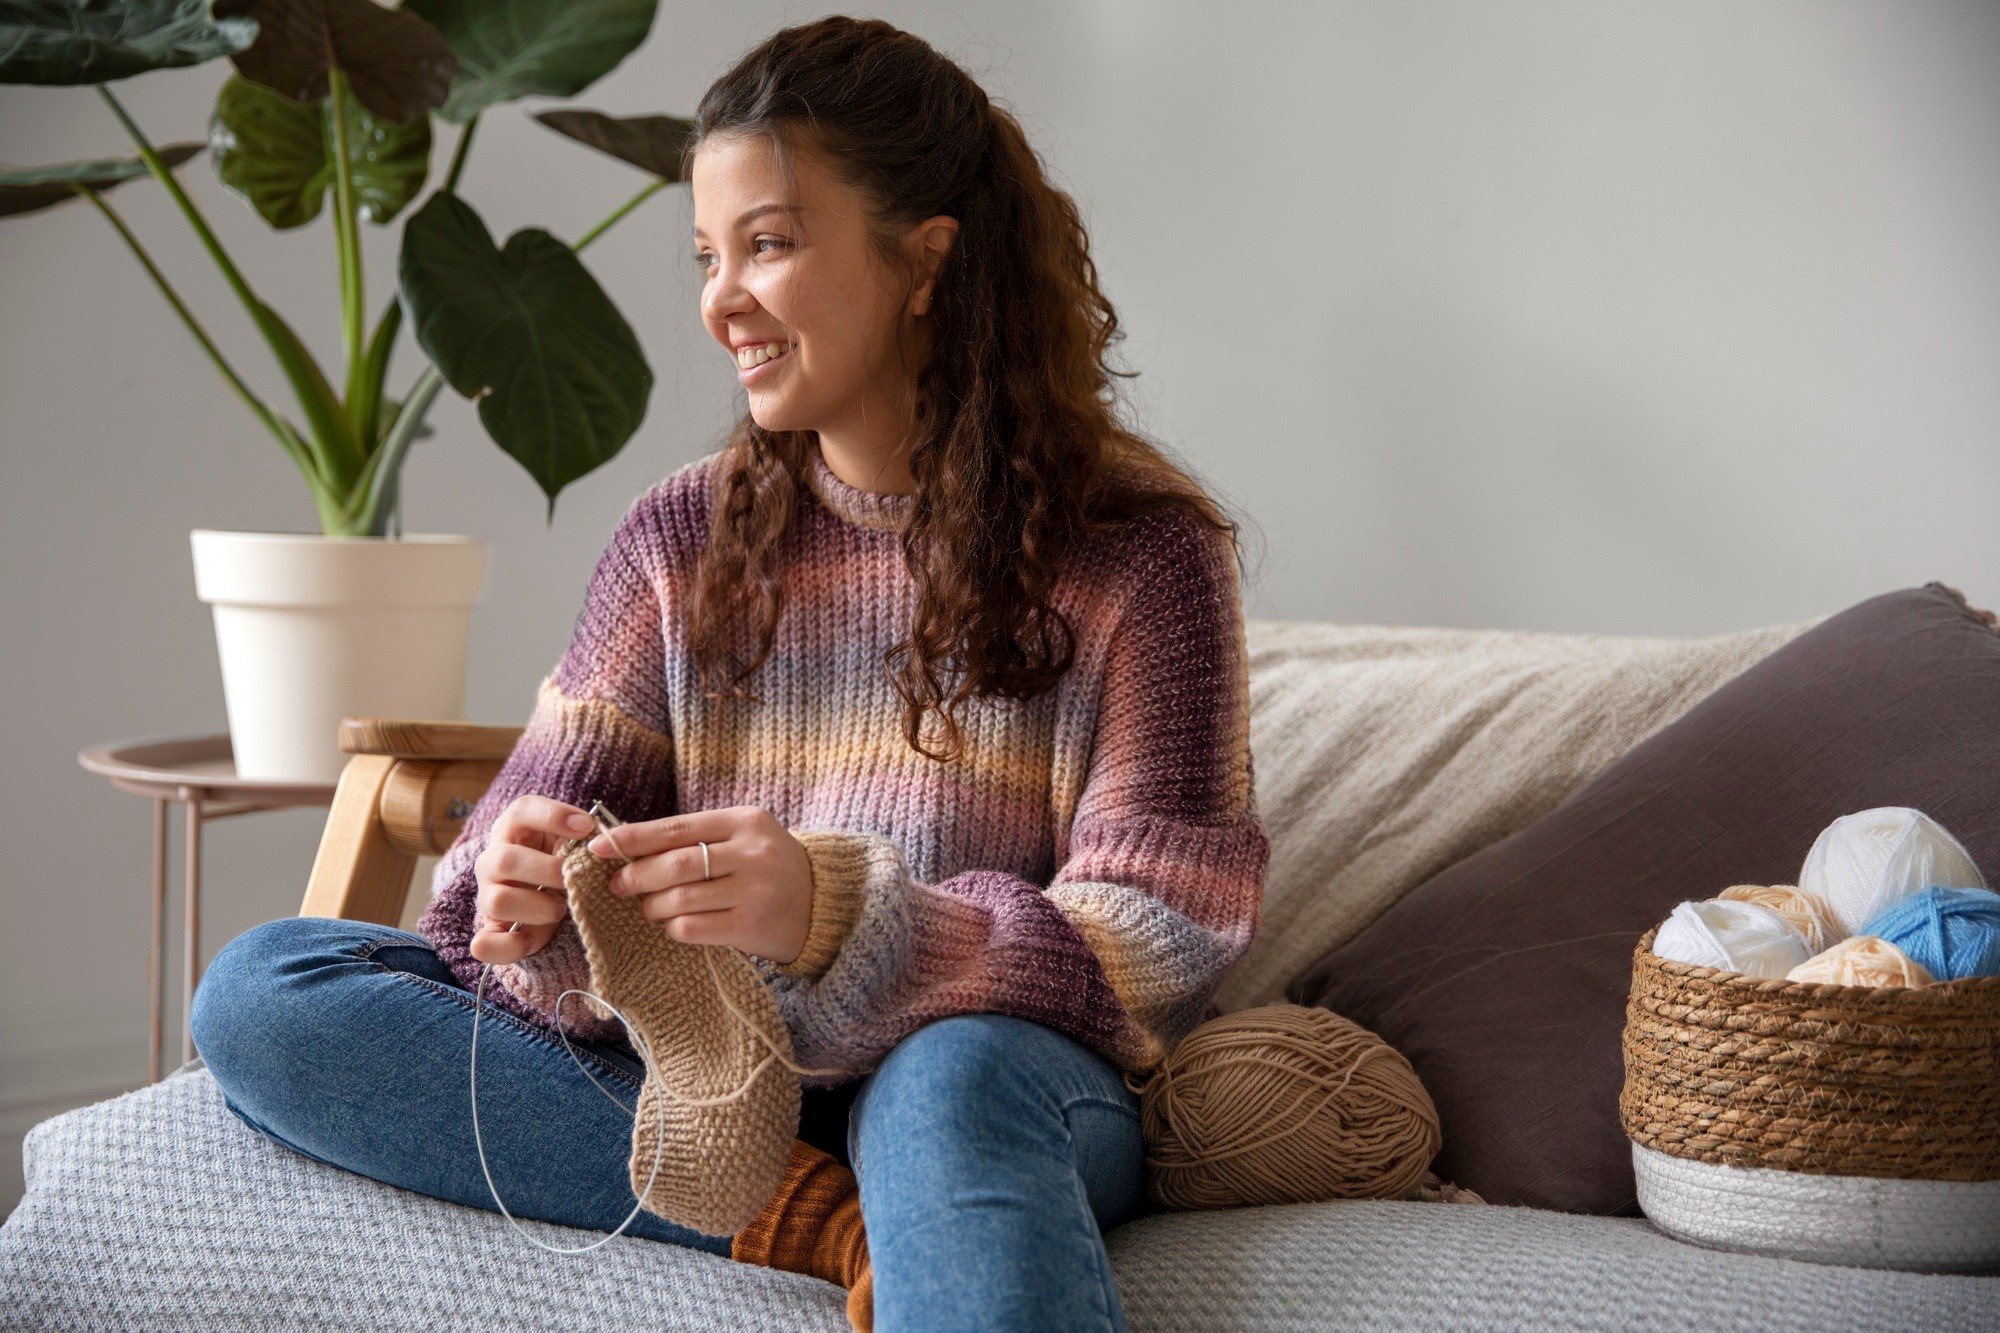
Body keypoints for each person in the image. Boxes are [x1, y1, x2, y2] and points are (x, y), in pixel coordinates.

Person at [191, 15, 1267, 1332]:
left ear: (924, 260)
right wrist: (526, 891)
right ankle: (813, 1215)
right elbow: (475, 899)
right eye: (708, 255)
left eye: (767, 243)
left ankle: (871, 1182)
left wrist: (828, 913)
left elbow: (1160, 944)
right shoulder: (679, 539)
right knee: (267, 989)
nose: (720, 300)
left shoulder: (1139, 554)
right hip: (713, 1066)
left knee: (944, 1079)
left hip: (996, 1068)